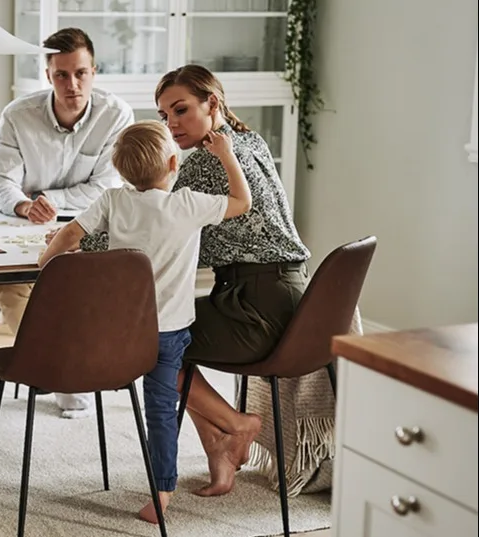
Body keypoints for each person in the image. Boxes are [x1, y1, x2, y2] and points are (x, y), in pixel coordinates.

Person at [39, 120, 252, 522]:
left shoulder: (113, 200)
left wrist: (44, 261)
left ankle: (228, 428)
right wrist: (226, 155)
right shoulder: (187, 203)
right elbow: (243, 201)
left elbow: (69, 235)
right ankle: (161, 491)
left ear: (121, 171)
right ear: (174, 162)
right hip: (169, 332)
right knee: (159, 408)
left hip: (122, 335)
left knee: (149, 390)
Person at [155, 64, 312, 497]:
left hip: (255, 308)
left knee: (147, 342)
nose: (171, 124)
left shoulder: (206, 162)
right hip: (294, 301)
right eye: (164, 115)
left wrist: (79, 237)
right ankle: (221, 449)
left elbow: (157, 231)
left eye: (181, 110)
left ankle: (237, 424)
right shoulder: (250, 141)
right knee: (167, 340)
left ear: (213, 103)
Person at [0, 27, 133, 418]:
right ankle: (53, 367)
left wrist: (53, 200)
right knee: (13, 286)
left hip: (90, 225)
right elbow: (3, 181)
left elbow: (108, 185)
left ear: (94, 71)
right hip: (26, 227)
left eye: (81, 73)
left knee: (82, 287)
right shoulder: (17, 116)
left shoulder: (116, 114)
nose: (72, 84)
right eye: (61, 75)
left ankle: (71, 370)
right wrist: (22, 206)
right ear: (48, 74)